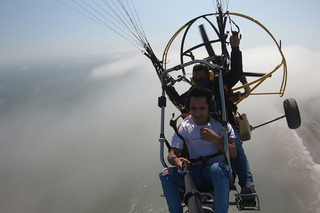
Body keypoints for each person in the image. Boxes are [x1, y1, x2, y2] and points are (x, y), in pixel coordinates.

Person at [165, 32, 256, 195]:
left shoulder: (222, 82)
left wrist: (235, 48)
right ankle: (189, 176)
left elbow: (236, 72)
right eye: (196, 79)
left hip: (223, 123)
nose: (200, 81)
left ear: (210, 75)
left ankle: (247, 184)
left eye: (202, 77)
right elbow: (180, 101)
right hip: (200, 124)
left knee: (237, 150)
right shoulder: (195, 91)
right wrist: (168, 86)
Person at [159, 87, 237, 213]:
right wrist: (176, 161)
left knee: (218, 169)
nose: (197, 113)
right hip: (192, 171)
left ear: (210, 108)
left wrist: (216, 139)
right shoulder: (185, 126)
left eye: (202, 108)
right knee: (165, 174)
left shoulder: (221, 125)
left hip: (216, 172)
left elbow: (233, 154)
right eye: (193, 108)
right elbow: (172, 153)